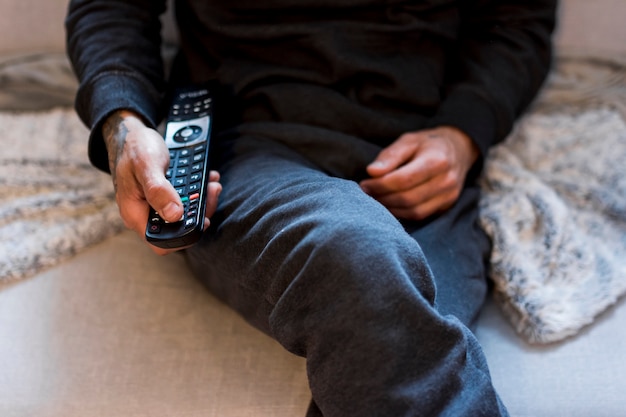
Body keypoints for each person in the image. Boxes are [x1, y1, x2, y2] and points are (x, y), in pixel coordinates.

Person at [66, 1, 557, 415]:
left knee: (386, 353)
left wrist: (462, 133)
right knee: (361, 262)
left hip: (416, 157)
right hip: (246, 143)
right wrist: (123, 123)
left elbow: (515, 20)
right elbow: (112, 6)